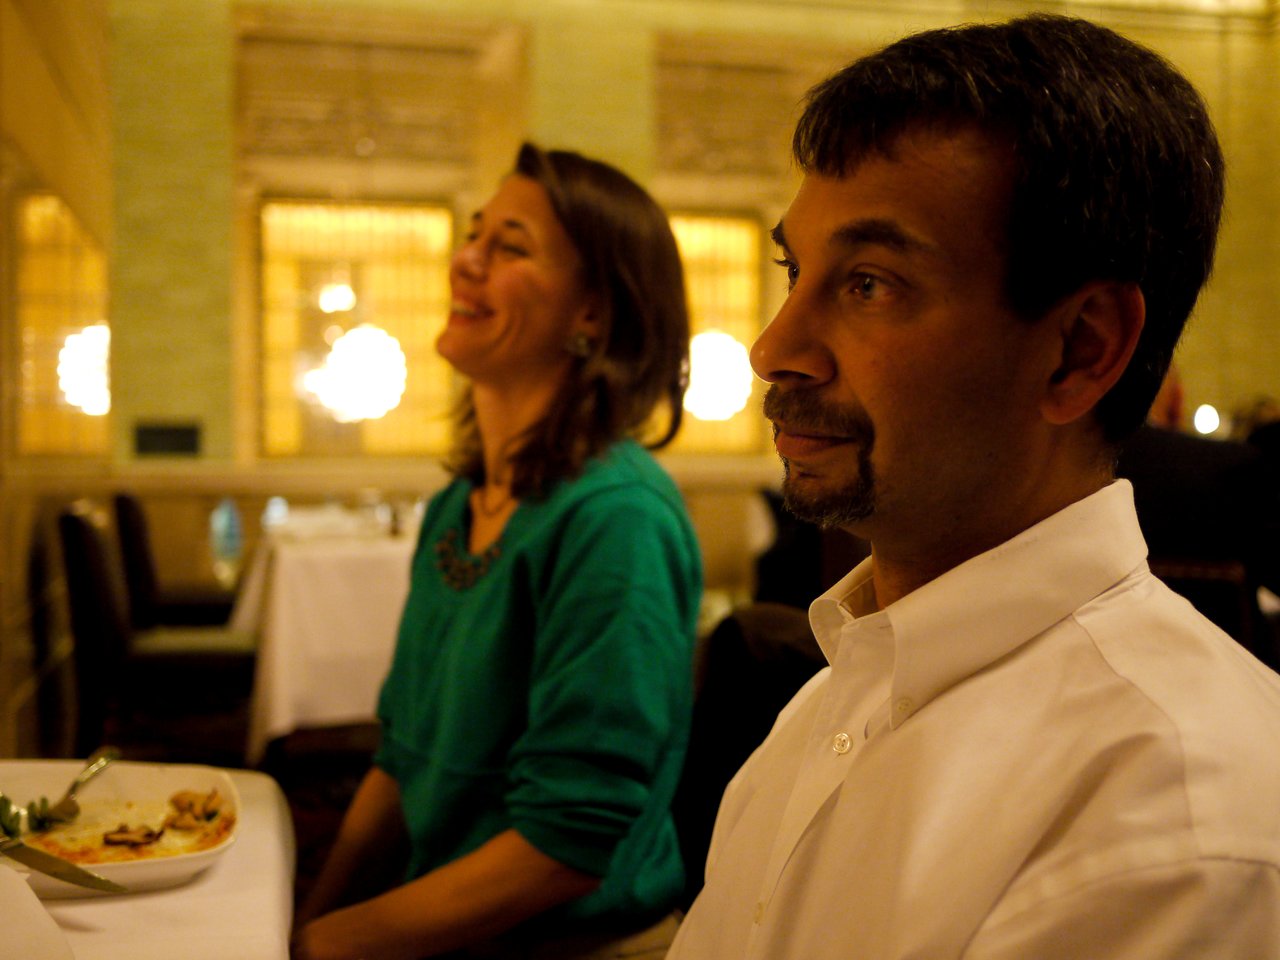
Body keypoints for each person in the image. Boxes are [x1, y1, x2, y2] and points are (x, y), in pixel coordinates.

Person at [667, 14, 1280, 959]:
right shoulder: (831, 701)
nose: (772, 349)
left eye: (870, 283)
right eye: (797, 271)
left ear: (1081, 350)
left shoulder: (1174, 813)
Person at [292, 143, 703, 960]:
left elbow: (566, 844)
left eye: (508, 247)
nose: (464, 260)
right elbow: (402, 760)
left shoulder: (615, 518)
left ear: (593, 312)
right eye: (474, 235)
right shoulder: (461, 504)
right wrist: (302, 920)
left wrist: (324, 947)